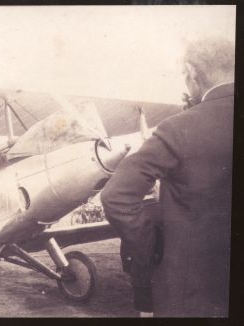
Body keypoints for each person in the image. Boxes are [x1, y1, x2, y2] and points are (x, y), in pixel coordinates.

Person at [100, 37, 233, 317]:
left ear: (191, 71)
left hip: (192, 296)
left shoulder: (179, 127)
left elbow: (116, 197)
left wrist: (150, 253)